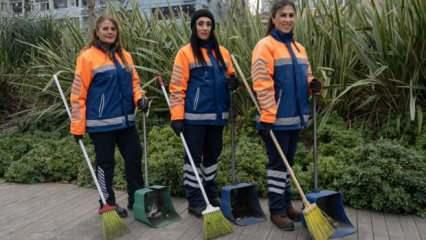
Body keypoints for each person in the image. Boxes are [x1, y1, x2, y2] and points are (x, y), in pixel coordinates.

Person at [251, 0, 321, 231]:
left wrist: (312, 84)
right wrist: (269, 116)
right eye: (283, 15)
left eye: (291, 15)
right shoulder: (265, 46)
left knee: (287, 165)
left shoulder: (299, 48)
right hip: (276, 120)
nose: (288, 19)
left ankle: (287, 204)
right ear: (273, 18)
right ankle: (277, 210)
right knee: (277, 166)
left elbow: (305, 75)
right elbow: (262, 84)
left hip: (296, 117)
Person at [70, 16, 149, 218]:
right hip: (101, 123)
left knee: (134, 157)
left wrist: (140, 99)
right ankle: (108, 202)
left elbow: (135, 84)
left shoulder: (125, 56)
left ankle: (136, 199)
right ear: (97, 32)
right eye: (105, 28)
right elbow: (78, 93)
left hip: (126, 121)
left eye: (113, 28)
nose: (109, 32)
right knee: (106, 164)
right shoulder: (87, 57)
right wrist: (77, 127)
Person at [168, 9, 239, 217]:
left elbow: (230, 77)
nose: (205, 28)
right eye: (200, 24)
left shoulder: (223, 53)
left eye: (208, 24)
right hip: (194, 117)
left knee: (213, 156)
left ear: (212, 27)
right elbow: (177, 87)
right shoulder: (185, 53)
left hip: (217, 116)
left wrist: (233, 82)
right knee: (193, 159)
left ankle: (210, 191)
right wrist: (177, 116)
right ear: (194, 27)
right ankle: (195, 199)